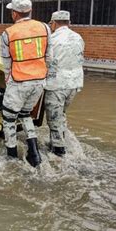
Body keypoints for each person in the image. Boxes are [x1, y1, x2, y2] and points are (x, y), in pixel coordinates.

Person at [0, 0, 52, 167]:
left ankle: (11, 156)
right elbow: (49, 57)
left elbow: (7, 63)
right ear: (30, 11)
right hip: (39, 81)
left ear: (15, 13)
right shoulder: (45, 27)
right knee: (25, 114)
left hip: (19, 81)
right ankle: (34, 153)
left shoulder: (8, 33)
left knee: (8, 118)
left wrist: (9, 82)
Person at [44, 10, 85, 157]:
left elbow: (46, 61)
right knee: (61, 114)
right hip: (74, 84)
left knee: (53, 118)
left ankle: (58, 152)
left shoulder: (52, 39)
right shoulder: (78, 37)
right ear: (69, 22)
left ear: (54, 23)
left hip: (57, 84)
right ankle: (59, 142)